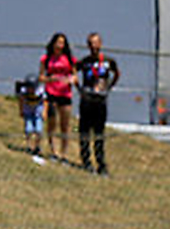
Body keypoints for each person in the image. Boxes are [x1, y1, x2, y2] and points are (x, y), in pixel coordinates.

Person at [75, 33, 119, 175]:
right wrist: (79, 88)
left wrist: (109, 87)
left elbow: (116, 73)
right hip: (87, 100)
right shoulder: (84, 61)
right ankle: (86, 161)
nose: (93, 46)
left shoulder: (108, 61)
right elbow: (73, 71)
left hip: (100, 101)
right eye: (90, 43)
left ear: (100, 44)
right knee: (84, 132)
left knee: (99, 133)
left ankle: (101, 163)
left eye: (95, 43)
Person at [40, 32, 75, 163]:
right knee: (52, 123)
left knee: (65, 125)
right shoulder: (46, 59)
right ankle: (53, 151)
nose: (60, 45)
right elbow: (41, 76)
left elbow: (75, 75)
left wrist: (71, 80)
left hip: (65, 94)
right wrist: (50, 79)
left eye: (62, 43)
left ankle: (64, 154)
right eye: (58, 42)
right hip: (51, 93)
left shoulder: (70, 59)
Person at [15, 74, 44, 159]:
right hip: (28, 113)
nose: (30, 90)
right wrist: (21, 110)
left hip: (37, 113)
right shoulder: (23, 92)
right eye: (29, 87)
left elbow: (45, 101)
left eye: (32, 88)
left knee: (38, 130)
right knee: (29, 129)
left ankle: (37, 146)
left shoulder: (40, 92)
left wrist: (44, 112)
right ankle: (29, 145)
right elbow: (21, 100)